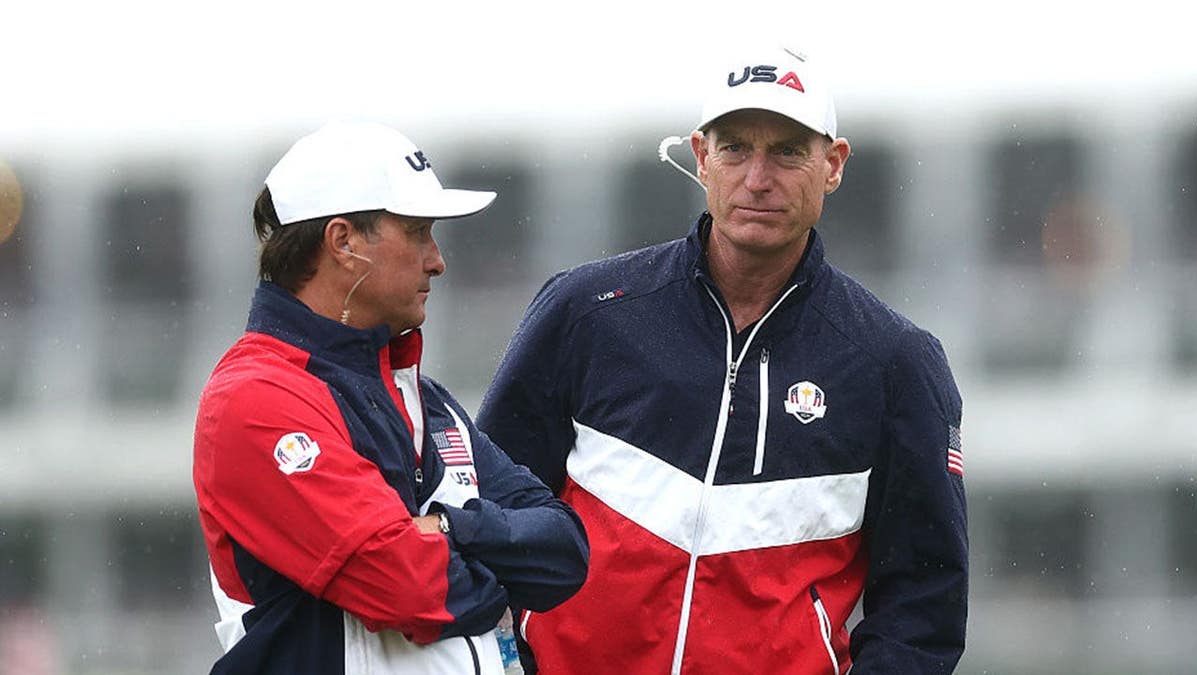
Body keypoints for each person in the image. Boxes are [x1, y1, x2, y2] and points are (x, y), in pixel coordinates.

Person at [477, 46, 967, 674]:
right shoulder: (588, 311)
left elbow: (924, 601)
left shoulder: (895, 362)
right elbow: (488, 507)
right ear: (702, 156)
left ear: (833, 165)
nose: (757, 178)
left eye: (789, 151)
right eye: (735, 148)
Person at [192, 121, 589, 675]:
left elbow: (564, 553)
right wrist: (500, 569)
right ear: (343, 242)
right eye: (419, 231)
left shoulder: (426, 400)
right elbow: (409, 587)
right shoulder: (254, 397)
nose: (437, 260)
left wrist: (452, 529)